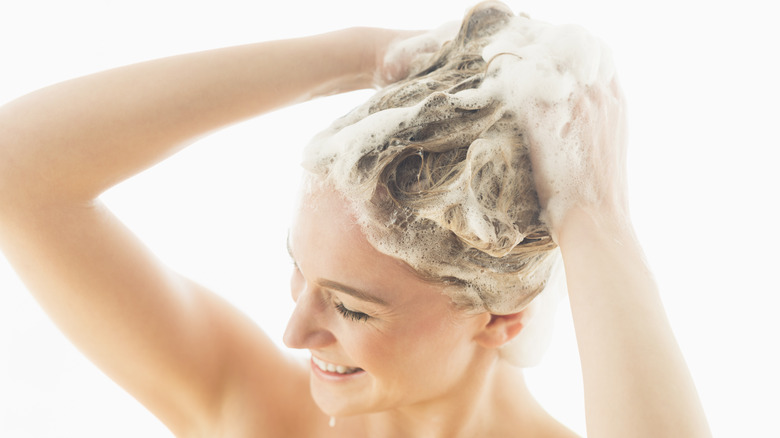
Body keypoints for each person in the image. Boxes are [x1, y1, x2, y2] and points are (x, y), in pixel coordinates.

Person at [0, 2, 711, 437]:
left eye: (351, 307)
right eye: (298, 272)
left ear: (503, 318)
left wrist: (596, 215)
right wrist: (358, 55)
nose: (294, 331)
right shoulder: (258, 416)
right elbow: (18, 167)